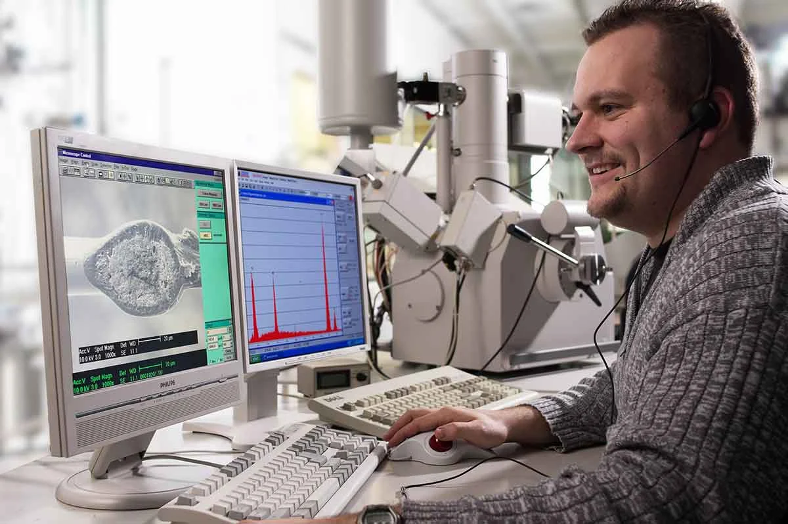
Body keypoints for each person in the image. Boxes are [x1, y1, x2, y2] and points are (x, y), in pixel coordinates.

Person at [243, 0, 788, 522]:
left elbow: (660, 500)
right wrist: (508, 420)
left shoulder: (746, 248)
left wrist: (377, 523)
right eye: (578, 115)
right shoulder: (690, 240)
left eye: (610, 108)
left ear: (708, 116)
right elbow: (635, 385)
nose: (577, 140)